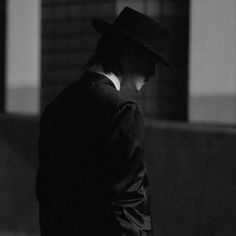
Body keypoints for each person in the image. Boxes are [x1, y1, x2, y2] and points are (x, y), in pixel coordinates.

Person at [36, 7, 170, 236]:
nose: (153, 73)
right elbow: (129, 203)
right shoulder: (123, 111)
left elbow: (46, 191)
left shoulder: (58, 105)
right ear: (129, 52)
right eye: (151, 61)